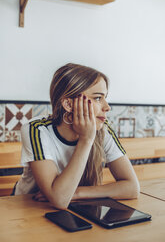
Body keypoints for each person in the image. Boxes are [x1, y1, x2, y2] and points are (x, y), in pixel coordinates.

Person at [14, 63, 140, 209]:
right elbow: (59, 200)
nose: (107, 107)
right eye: (98, 98)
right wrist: (86, 140)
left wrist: (77, 193)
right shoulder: (36, 130)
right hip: (27, 208)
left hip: (77, 206)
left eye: (105, 97)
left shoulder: (102, 130)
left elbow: (132, 188)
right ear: (68, 104)